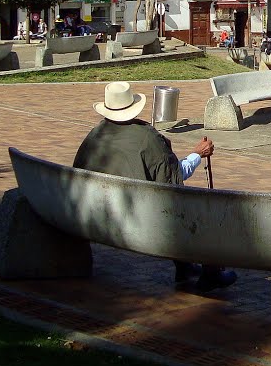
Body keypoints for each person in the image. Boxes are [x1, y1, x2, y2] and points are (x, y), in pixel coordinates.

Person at [73, 82, 237, 291]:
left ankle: (184, 267)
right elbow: (173, 179)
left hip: (92, 215)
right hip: (138, 223)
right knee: (200, 209)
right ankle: (211, 274)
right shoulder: (148, 137)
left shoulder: (95, 134)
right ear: (132, 106)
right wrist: (198, 154)